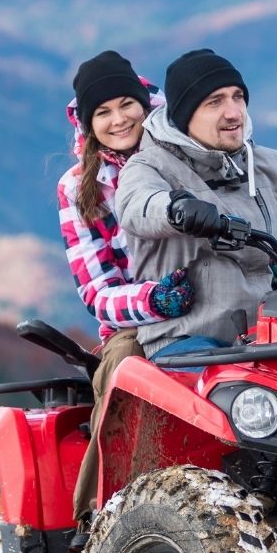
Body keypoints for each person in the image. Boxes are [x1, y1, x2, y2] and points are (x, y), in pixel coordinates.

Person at [114, 48, 277, 357]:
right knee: (229, 391)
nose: (233, 112)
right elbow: (137, 205)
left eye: (237, 97)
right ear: (185, 115)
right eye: (214, 102)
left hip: (276, 337)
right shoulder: (149, 167)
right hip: (188, 340)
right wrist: (175, 209)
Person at [57, 49, 193, 522]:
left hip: (214, 302)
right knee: (125, 373)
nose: (118, 120)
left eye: (126, 105)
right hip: (135, 322)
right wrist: (154, 300)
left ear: (145, 102)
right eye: (103, 112)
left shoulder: (182, 153)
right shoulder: (79, 188)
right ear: (87, 123)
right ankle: (99, 519)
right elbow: (97, 292)